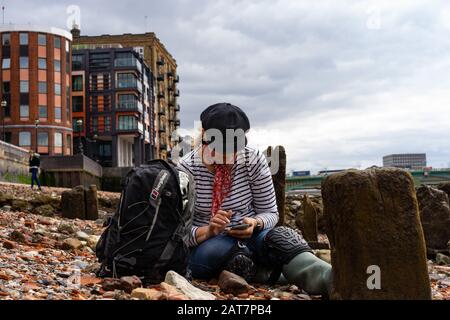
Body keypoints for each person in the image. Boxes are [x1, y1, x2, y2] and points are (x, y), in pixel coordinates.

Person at [178, 103, 332, 297]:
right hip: (209, 244)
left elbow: (270, 212)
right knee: (218, 252)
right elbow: (180, 234)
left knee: (282, 237)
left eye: (234, 149)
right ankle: (268, 272)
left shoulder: (253, 159)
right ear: (205, 137)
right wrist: (208, 230)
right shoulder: (186, 169)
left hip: (253, 236)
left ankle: (329, 279)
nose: (229, 157)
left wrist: (256, 222)